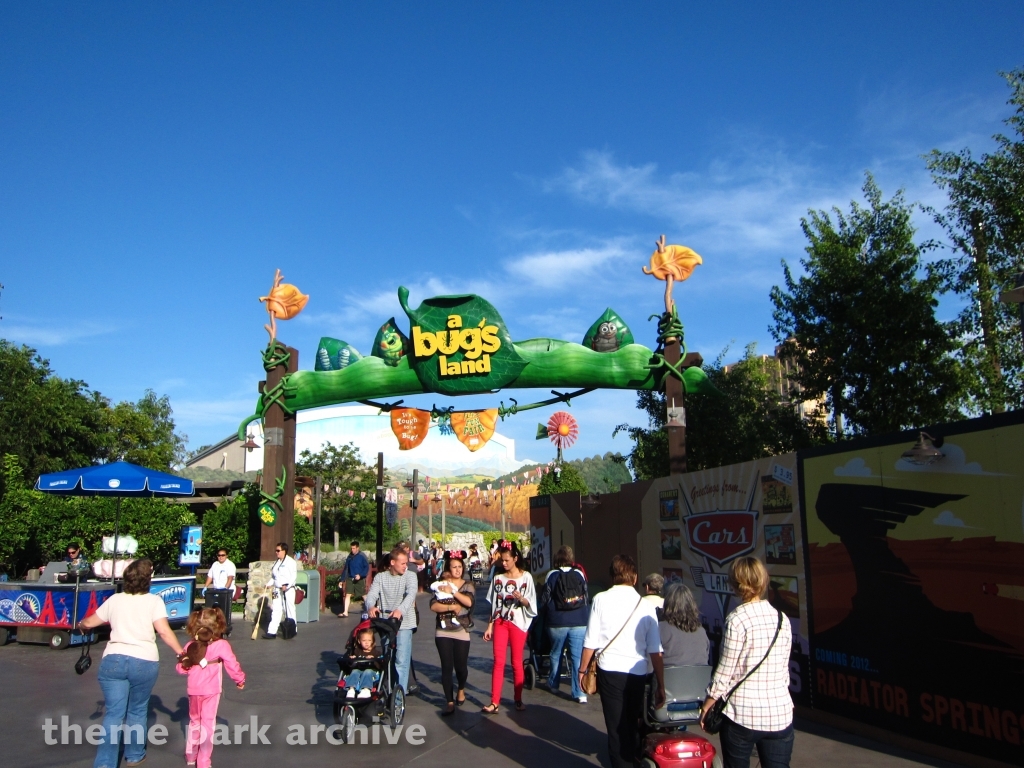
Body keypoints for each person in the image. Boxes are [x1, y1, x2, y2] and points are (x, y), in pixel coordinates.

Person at [79, 559, 185, 768]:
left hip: (114, 659)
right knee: (137, 711)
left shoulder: (115, 600)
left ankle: (104, 763)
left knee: (113, 714)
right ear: (148, 580)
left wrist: (82, 625)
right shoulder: (153, 602)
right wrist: (181, 652)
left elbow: (89, 622)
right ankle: (135, 755)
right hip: (144, 660)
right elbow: (163, 631)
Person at [700, 557, 793, 768]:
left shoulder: (737, 619)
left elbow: (725, 671)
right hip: (780, 712)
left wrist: (708, 704)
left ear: (735, 584)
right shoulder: (782, 619)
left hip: (742, 713)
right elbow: (783, 669)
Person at [579, 555, 665, 768]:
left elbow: (590, 640)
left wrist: (581, 671)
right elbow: (656, 650)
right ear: (635, 578)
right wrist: (661, 684)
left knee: (615, 728)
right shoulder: (645, 606)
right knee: (632, 723)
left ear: (612, 576)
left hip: (610, 671)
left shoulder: (600, 599)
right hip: (637, 672)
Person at [176, 607, 246, 768]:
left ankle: (191, 754)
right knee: (208, 724)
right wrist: (239, 679)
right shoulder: (221, 645)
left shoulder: (190, 645)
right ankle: (204, 761)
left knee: (195, 721)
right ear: (218, 624)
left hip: (194, 689)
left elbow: (180, 668)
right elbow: (231, 664)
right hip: (212, 690)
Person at [482, 539, 537, 714]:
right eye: (502, 560)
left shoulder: (526, 577)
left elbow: (531, 603)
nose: (504, 563)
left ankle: (518, 699)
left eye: (506, 560)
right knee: (498, 661)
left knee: (516, 662)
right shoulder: (498, 578)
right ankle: (494, 701)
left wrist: (521, 599)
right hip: (500, 622)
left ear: (515, 558)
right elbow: (494, 605)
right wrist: (490, 626)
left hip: (518, 622)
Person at [365, 547, 418, 693]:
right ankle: (389, 690)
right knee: (388, 657)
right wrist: (371, 606)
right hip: (385, 622)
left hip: (404, 622)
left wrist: (400, 610)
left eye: (406, 563)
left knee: (401, 659)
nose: (405, 566)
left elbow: (411, 593)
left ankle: (400, 693)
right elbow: (372, 595)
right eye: (402, 563)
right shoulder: (381, 577)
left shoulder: (410, 576)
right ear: (393, 562)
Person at [543, 545, 590, 703]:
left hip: (557, 621)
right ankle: (579, 693)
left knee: (556, 653)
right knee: (577, 656)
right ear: (571, 559)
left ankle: (553, 683)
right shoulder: (579, 574)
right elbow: (585, 595)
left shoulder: (551, 574)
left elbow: (546, 598)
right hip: (579, 621)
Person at [431, 552, 475, 715]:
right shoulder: (441, 583)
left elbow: (469, 602)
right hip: (443, 631)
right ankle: (449, 701)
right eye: (454, 567)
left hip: (461, 629)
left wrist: (453, 591)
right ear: (448, 568)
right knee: (446, 667)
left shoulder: (467, 585)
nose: (457, 570)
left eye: (459, 567)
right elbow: (433, 605)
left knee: (461, 667)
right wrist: (450, 607)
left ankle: (461, 688)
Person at [658, 582, 710, 667]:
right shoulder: (701, 631)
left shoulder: (660, 629)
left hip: (669, 678)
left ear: (667, 604)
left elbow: (651, 664)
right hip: (699, 679)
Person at [264, 542, 298, 639]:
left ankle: (292, 629)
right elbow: (274, 577)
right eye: (276, 550)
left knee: (289, 609)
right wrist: (268, 584)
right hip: (277, 590)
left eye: (278, 550)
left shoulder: (291, 562)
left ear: (284, 551)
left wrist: (287, 585)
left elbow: (293, 576)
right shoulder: (277, 562)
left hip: (288, 589)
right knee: (276, 610)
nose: (276, 552)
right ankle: (272, 631)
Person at [340, 627, 384, 699]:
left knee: (368, 671)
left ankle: (366, 689)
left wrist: (373, 659)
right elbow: (353, 663)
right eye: (364, 640)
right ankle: (351, 689)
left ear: (372, 641)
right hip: (359, 671)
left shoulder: (376, 653)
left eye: (369, 640)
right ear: (359, 641)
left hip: (372, 673)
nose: (367, 642)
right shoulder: (357, 651)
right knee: (354, 671)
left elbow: (380, 665)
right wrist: (353, 659)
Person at [204, 548, 236, 630]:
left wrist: (225, 588)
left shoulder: (230, 565)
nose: (221, 557)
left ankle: (224, 626)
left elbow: (230, 578)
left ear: (226, 556)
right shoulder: (215, 564)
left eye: (223, 555)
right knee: (214, 608)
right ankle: (214, 625)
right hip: (216, 589)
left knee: (223, 609)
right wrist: (205, 586)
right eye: (219, 555)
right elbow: (210, 576)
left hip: (226, 591)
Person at [339, 541, 369, 618]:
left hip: (359, 579)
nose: (352, 550)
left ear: (358, 548)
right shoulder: (349, 557)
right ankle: (345, 612)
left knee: (364, 595)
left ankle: (369, 609)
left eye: (354, 548)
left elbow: (366, 567)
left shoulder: (362, 556)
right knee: (348, 594)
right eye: (351, 548)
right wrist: (342, 580)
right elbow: (346, 569)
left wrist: (361, 575)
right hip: (350, 578)